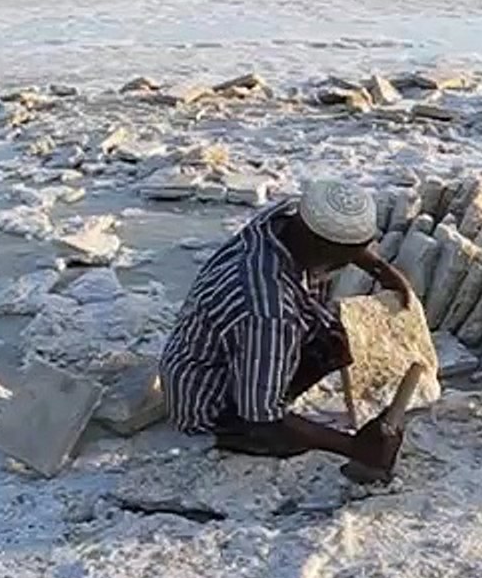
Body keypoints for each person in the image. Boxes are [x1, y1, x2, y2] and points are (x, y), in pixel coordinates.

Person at [159, 179, 414, 473]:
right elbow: (261, 417)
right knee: (268, 421)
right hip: (206, 404)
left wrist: (382, 270)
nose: (348, 265)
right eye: (344, 259)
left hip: (200, 358)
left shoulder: (286, 221)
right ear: (324, 248)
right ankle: (236, 429)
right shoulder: (269, 311)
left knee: (331, 339)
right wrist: (354, 447)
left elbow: (337, 242)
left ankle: (272, 386)